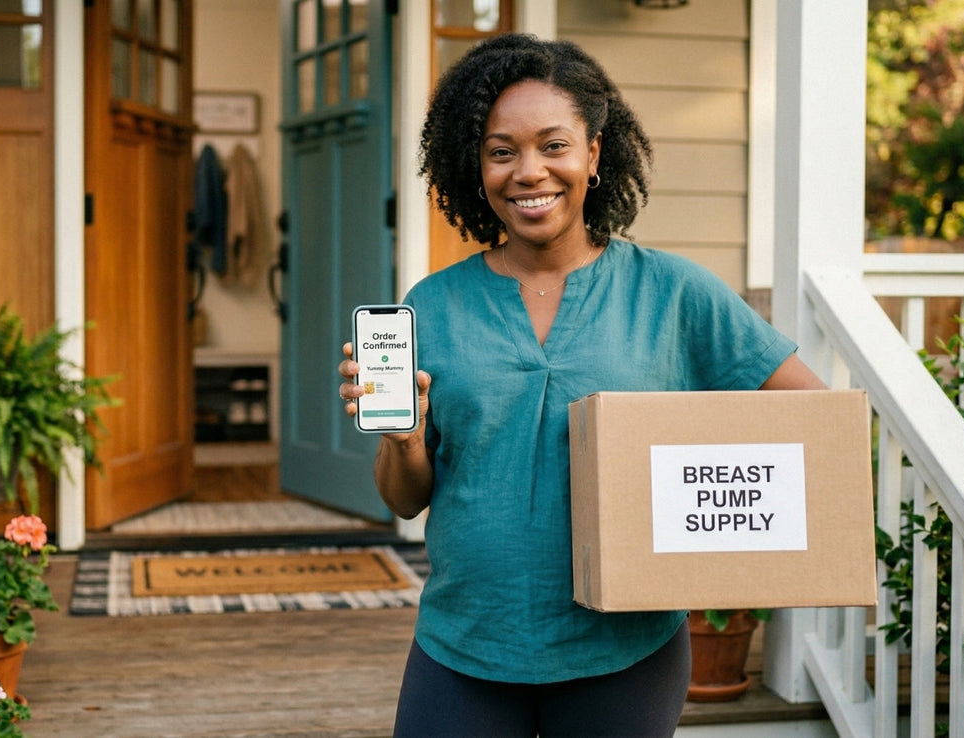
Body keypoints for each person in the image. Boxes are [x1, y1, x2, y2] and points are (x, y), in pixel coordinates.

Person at [337, 33, 827, 737]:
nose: (528, 171)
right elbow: (405, 497)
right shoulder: (432, 305)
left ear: (594, 153)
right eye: (501, 151)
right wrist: (403, 437)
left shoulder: (674, 292)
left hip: (627, 650)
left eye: (553, 145)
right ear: (476, 168)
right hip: (466, 643)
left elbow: (811, 419)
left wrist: (713, 518)